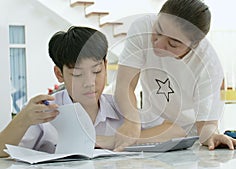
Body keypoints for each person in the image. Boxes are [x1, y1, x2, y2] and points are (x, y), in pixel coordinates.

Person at [0, 26, 185, 157]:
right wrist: (22, 119)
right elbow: (2, 152)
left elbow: (176, 131)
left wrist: (119, 140)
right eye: (77, 74)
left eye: (96, 71)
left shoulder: (120, 106)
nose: (90, 83)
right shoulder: (45, 112)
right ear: (59, 74)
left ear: (105, 66)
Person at [114, 0, 236, 151]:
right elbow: (125, 85)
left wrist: (211, 135)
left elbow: (206, 127)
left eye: (173, 44)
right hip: (152, 124)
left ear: (194, 44)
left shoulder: (208, 65)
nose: (158, 44)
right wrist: (132, 121)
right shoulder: (141, 27)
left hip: (188, 137)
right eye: (158, 31)